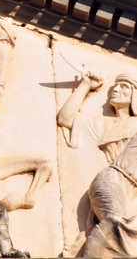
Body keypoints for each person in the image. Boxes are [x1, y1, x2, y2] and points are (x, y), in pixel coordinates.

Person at [57, 71, 137, 257]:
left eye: (124, 86)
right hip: (116, 180)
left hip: (132, 189)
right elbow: (65, 119)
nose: (115, 89)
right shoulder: (103, 125)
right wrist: (85, 85)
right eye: (115, 85)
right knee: (116, 229)